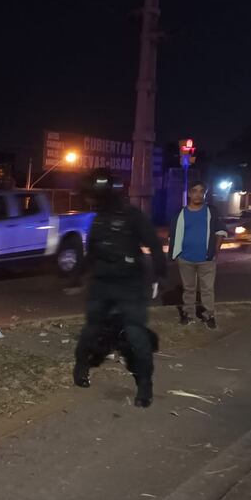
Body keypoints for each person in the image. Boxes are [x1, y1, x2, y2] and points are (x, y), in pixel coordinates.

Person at [73, 169, 167, 408]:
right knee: (92, 330)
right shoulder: (99, 219)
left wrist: (159, 275)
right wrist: (76, 276)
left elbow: (155, 245)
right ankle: (81, 366)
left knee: (135, 334)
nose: (90, 200)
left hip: (129, 284)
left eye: (93, 196)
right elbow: (92, 252)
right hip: (102, 283)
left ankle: (144, 384)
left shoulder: (132, 216)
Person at [168, 182, 228, 329]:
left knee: (207, 289)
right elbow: (174, 234)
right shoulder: (180, 213)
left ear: (205, 194)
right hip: (185, 258)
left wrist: (215, 251)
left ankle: (209, 315)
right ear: (189, 193)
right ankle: (188, 314)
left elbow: (221, 231)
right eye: (195, 191)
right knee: (188, 289)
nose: (198, 194)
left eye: (201, 191)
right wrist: (176, 253)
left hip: (206, 259)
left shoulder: (211, 211)